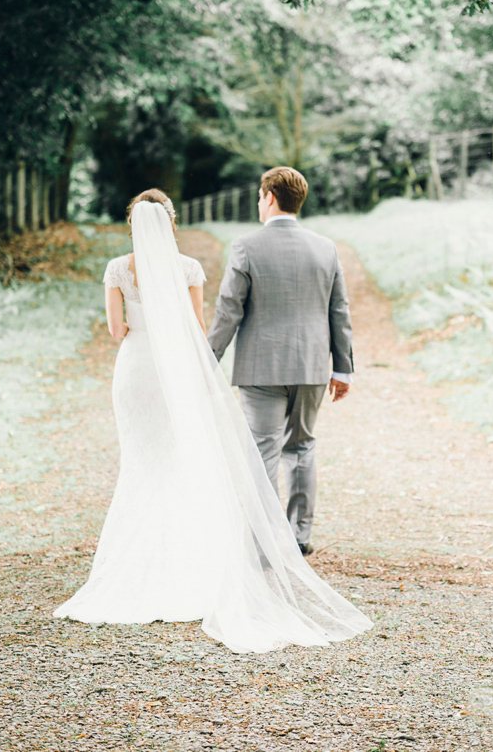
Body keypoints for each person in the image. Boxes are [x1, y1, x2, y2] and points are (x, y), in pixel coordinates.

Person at [55, 190, 371, 653]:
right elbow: (199, 325)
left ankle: (147, 562)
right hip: (185, 369)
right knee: (198, 459)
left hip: (137, 370)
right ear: (171, 223)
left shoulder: (118, 269)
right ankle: (256, 547)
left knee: (142, 462)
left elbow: (117, 330)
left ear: (132, 224)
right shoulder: (190, 269)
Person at [207, 167, 353, 556]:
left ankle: (264, 539)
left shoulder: (246, 247)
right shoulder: (326, 248)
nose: (259, 203)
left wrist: (208, 359)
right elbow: (339, 311)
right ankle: (299, 536)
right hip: (311, 367)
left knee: (262, 450)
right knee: (302, 447)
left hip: (261, 367)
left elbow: (228, 311)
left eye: (259, 196)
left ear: (270, 197)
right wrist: (343, 367)